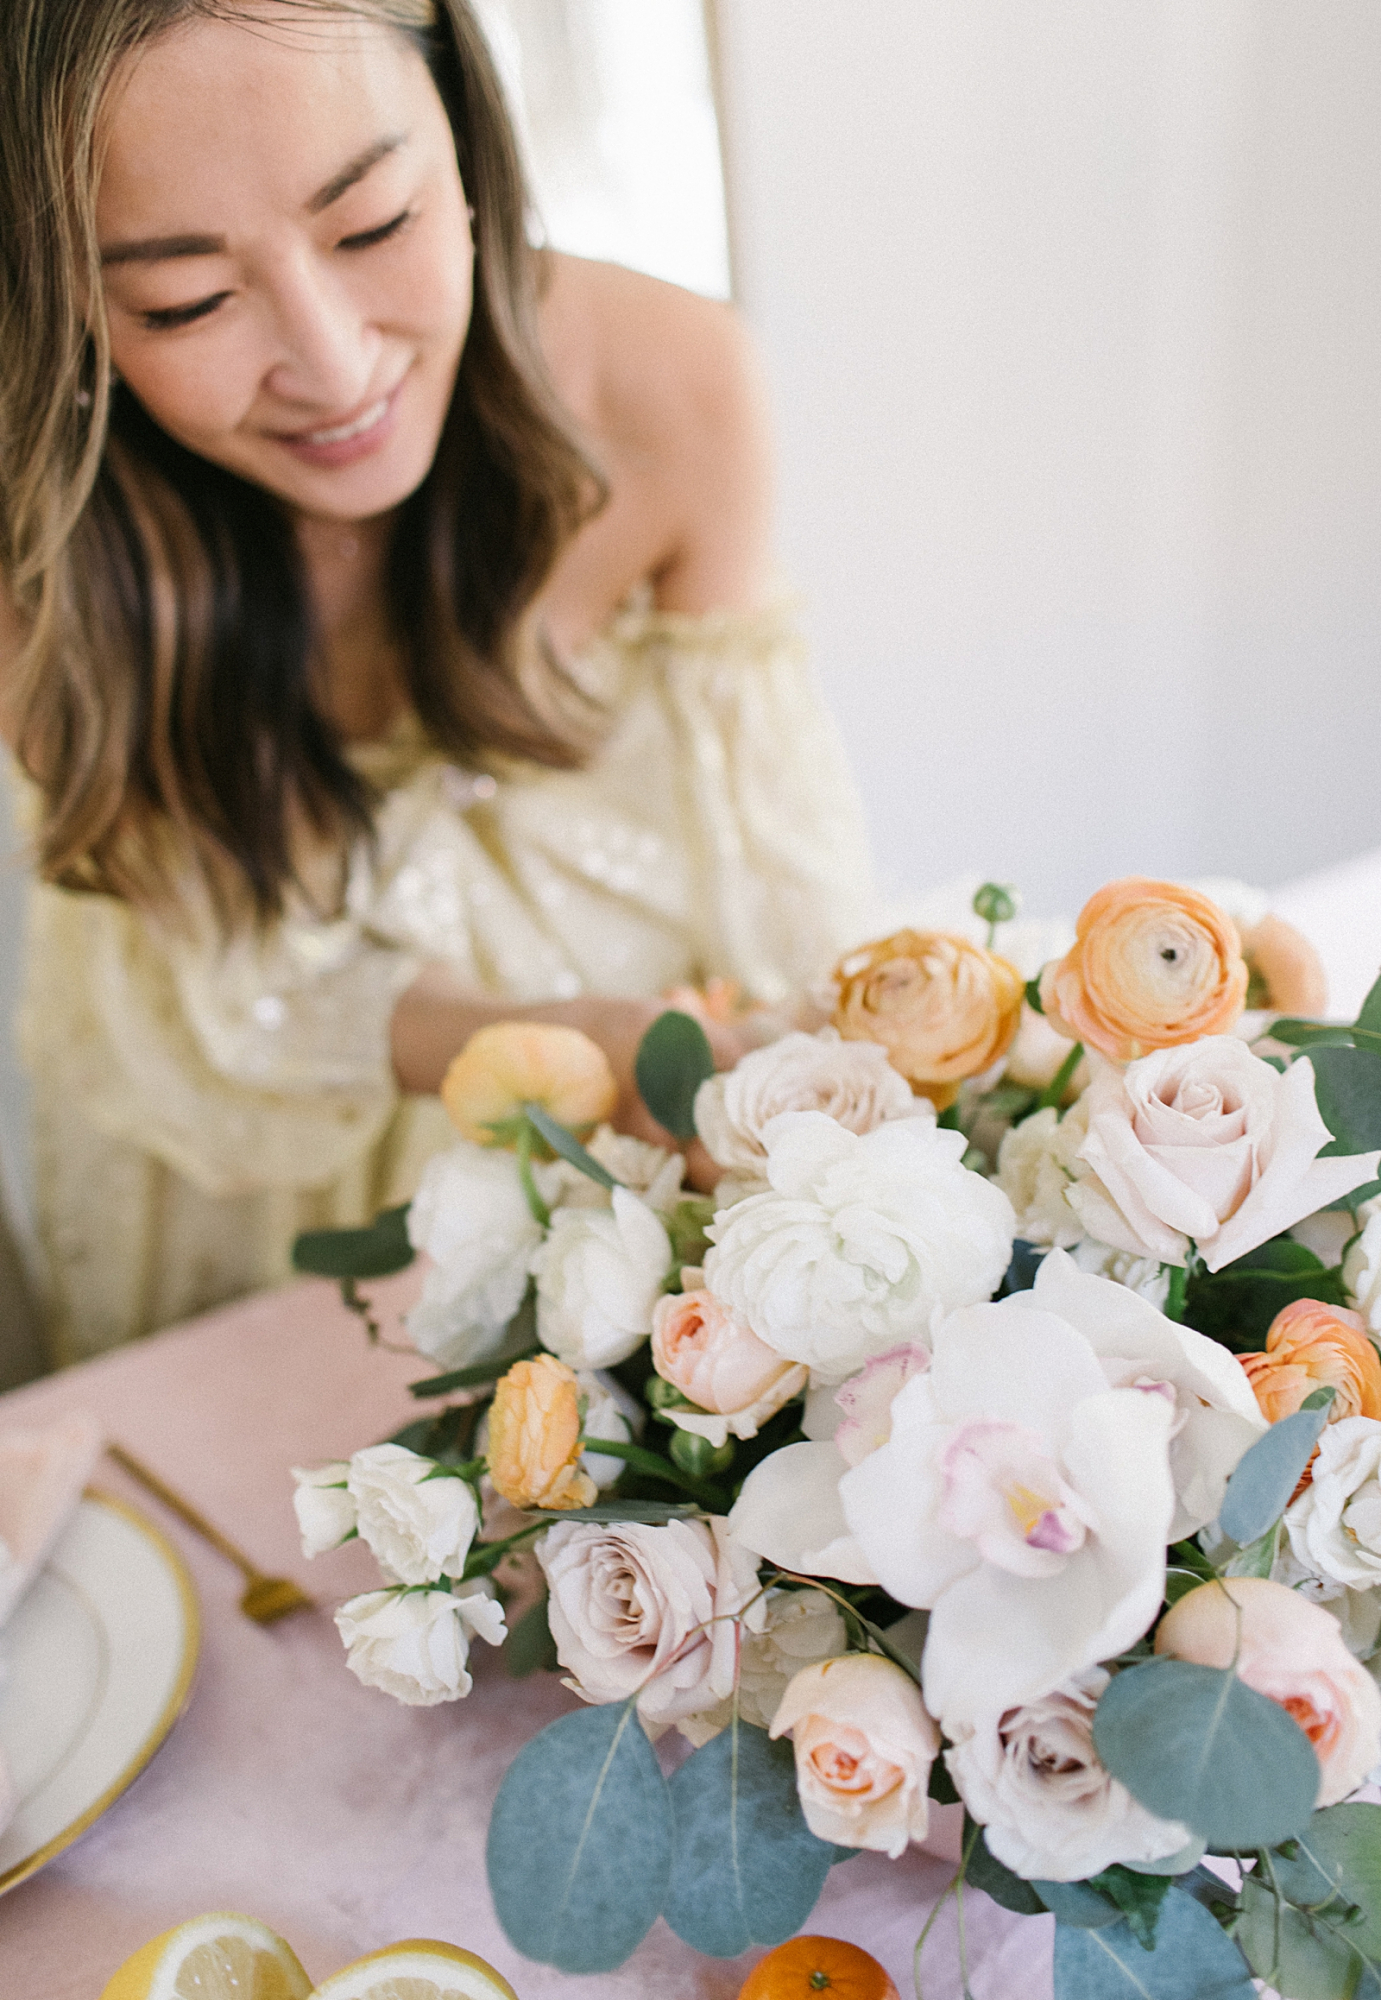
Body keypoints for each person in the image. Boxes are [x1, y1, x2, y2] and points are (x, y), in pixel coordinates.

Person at [0, 0, 877, 1365]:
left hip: (649, 1194)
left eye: (372, 227)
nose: (335, 366)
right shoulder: (37, 541)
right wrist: (543, 1040)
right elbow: (199, 1005)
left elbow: (782, 890)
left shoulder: (673, 388)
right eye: (185, 300)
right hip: (249, 1212)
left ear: (467, 137)